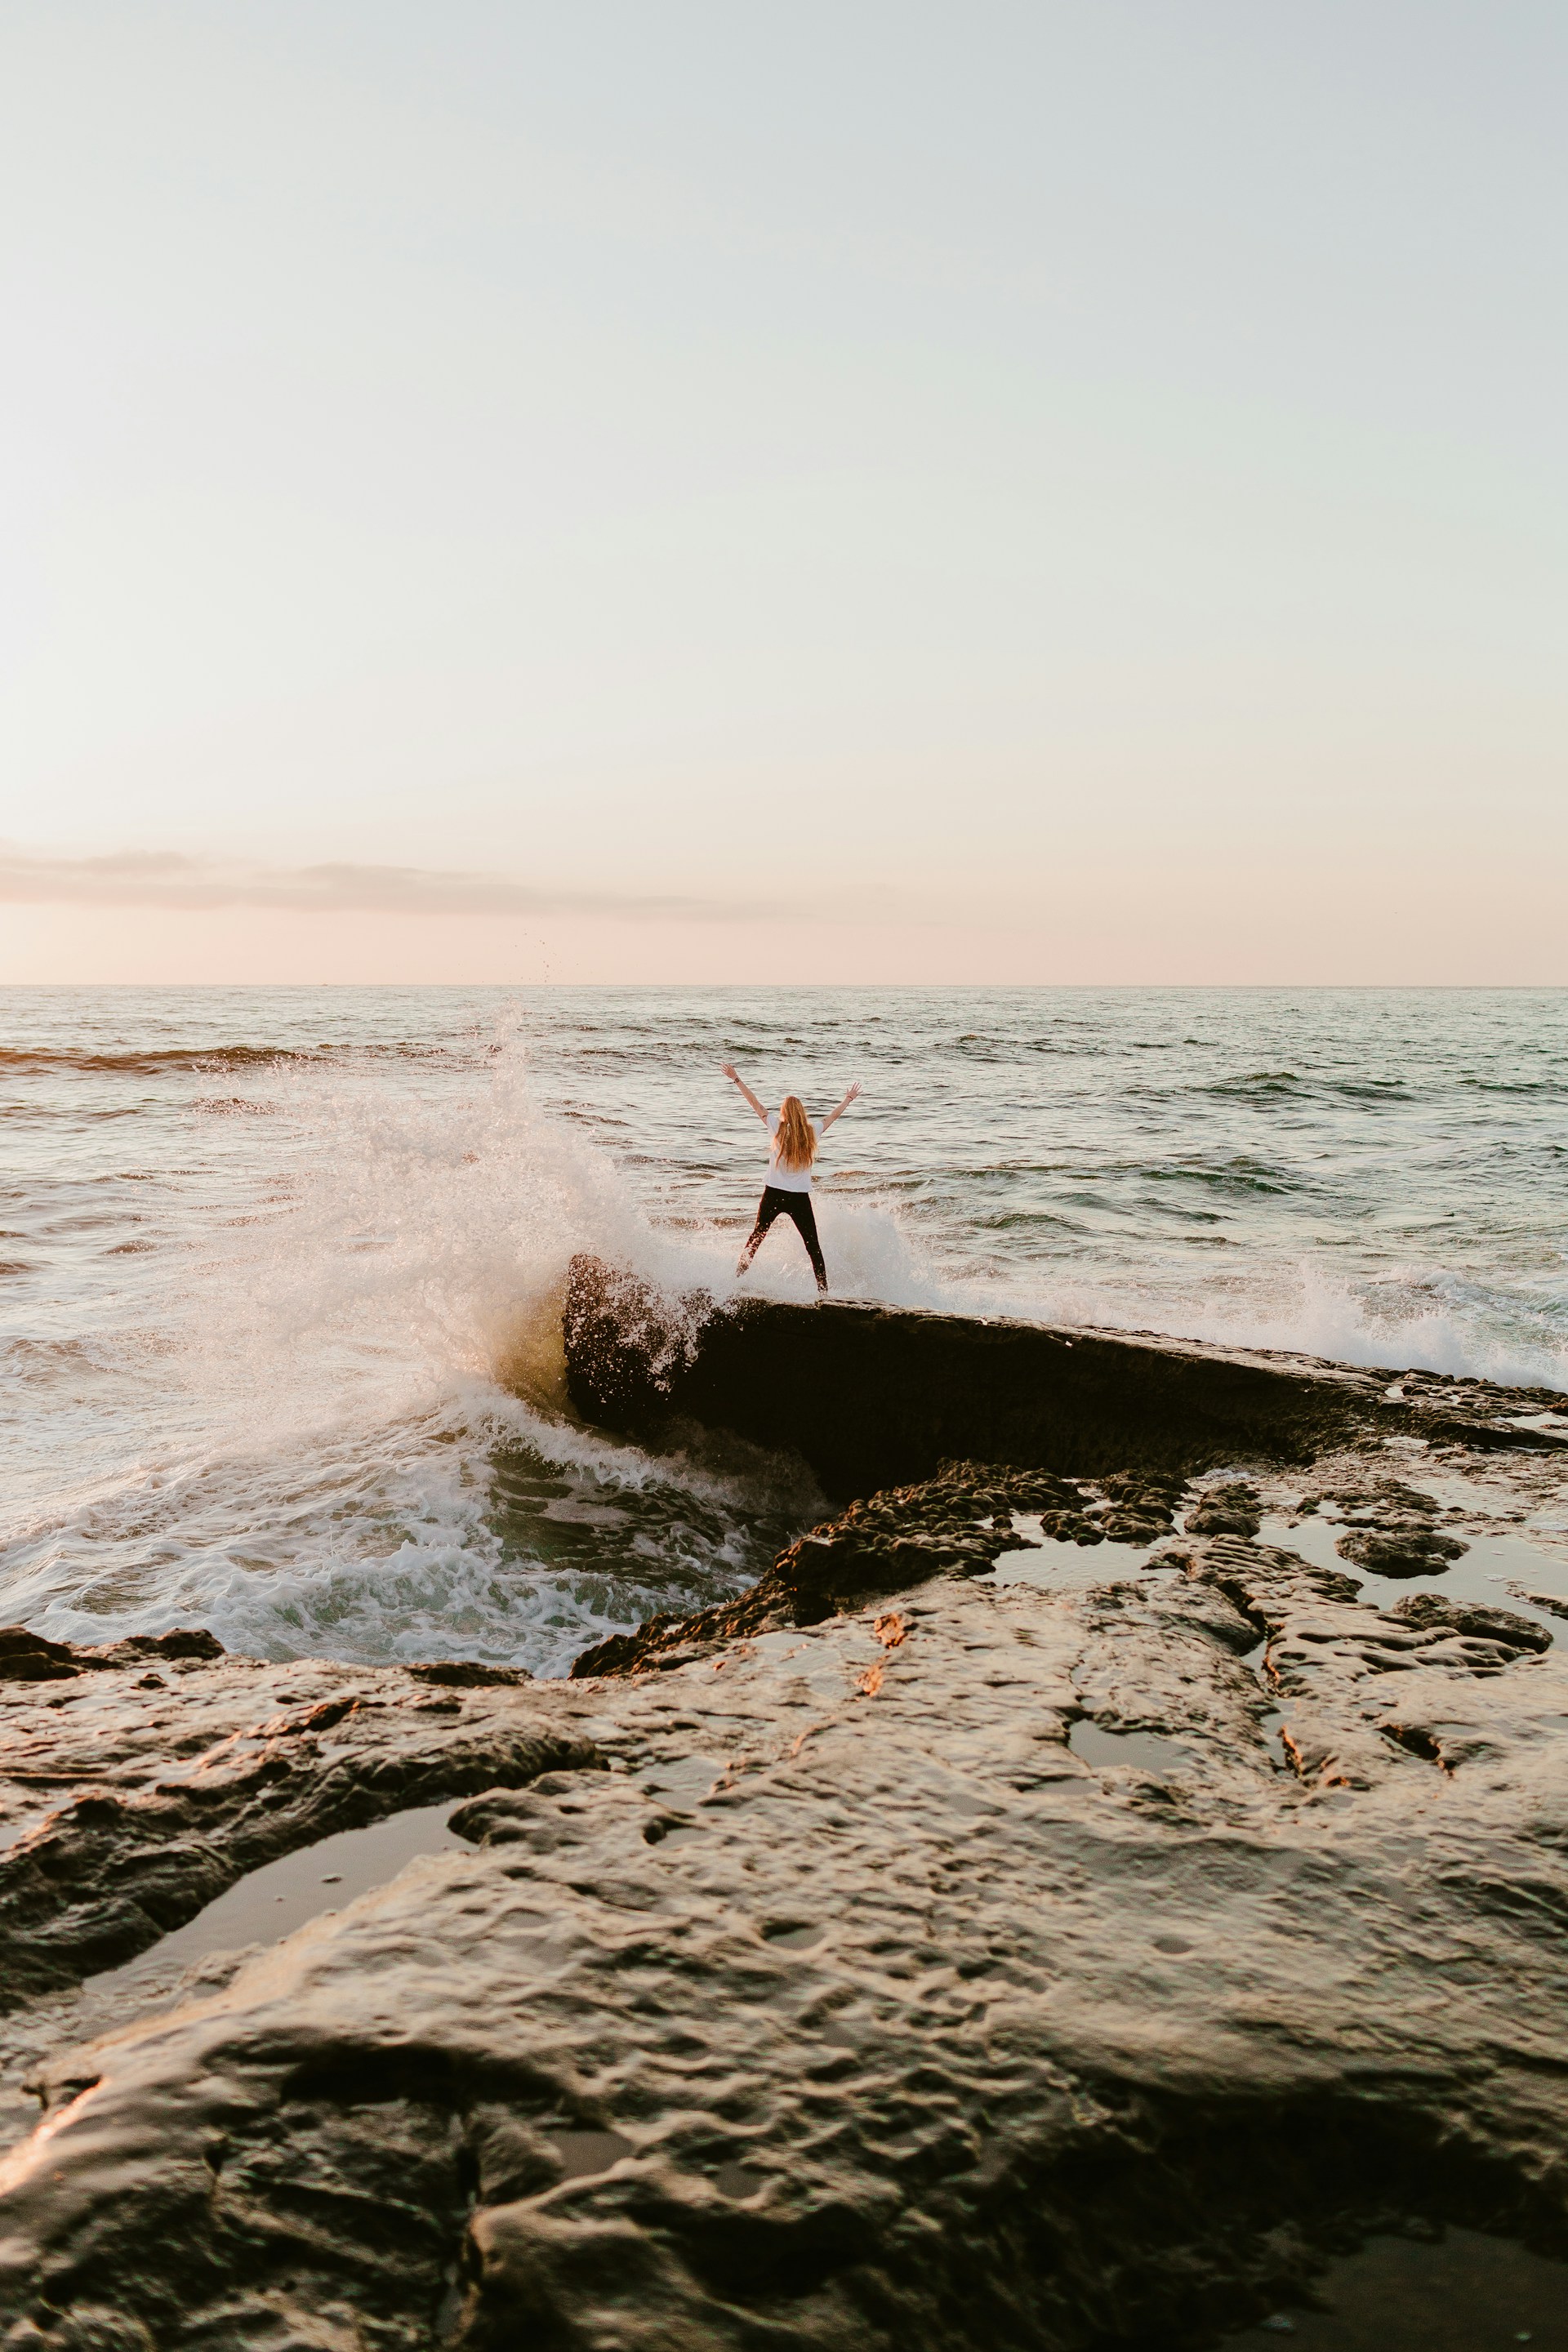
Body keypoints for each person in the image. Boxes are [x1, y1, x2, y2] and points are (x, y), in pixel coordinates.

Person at [721, 1063, 862, 1294]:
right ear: (802, 1112)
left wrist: (736, 1079)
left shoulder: (777, 1127)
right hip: (799, 1199)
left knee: (756, 1238)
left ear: (784, 1112)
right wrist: (848, 1099)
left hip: (773, 1194)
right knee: (813, 1246)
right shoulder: (812, 1131)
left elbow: (755, 1104)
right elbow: (833, 1117)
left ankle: (735, 1282)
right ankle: (824, 1294)